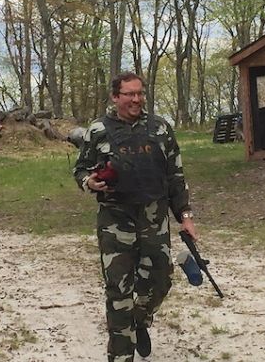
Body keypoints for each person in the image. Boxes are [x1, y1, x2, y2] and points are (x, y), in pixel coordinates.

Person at [74, 71, 197, 362]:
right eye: (129, 94)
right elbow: (81, 169)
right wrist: (89, 182)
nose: (136, 99)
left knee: (160, 280)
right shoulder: (98, 130)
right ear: (115, 97)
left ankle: (139, 320)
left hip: (154, 219)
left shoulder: (160, 128)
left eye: (140, 93)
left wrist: (186, 216)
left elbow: (175, 176)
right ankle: (120, 355)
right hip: (115, 221)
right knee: (118, 291)